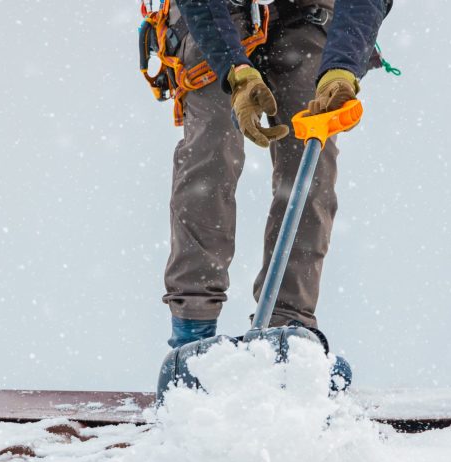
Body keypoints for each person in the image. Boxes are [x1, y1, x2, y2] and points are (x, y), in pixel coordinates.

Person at [162, 0, 393, 348]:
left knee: (311, 161)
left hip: (308, 11)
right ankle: (193, 330)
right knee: (212, 153)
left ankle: (288, 330)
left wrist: (341, 67)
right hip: (218, 11)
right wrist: (234, 69)